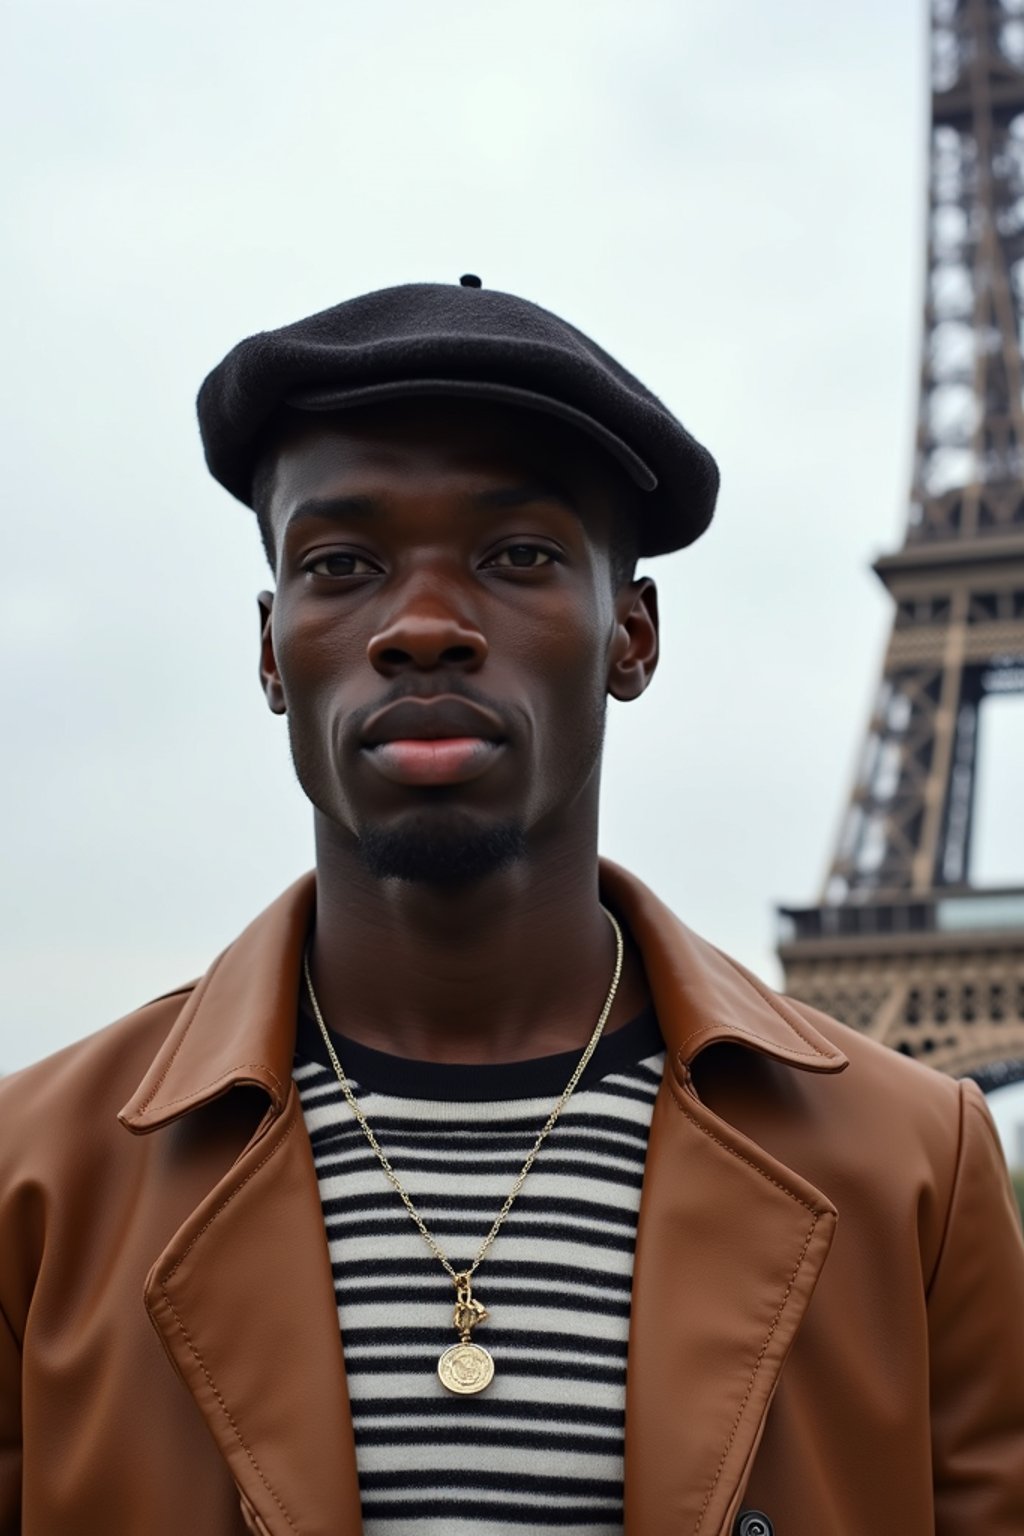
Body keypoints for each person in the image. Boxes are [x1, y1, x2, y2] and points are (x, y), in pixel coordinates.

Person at [1, 278, 1023, 1536]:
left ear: (630, 637)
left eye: (518, 556)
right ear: (272, 649)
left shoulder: (918, 1169)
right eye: (340, 564)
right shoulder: (28, 1182)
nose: (423, 626)